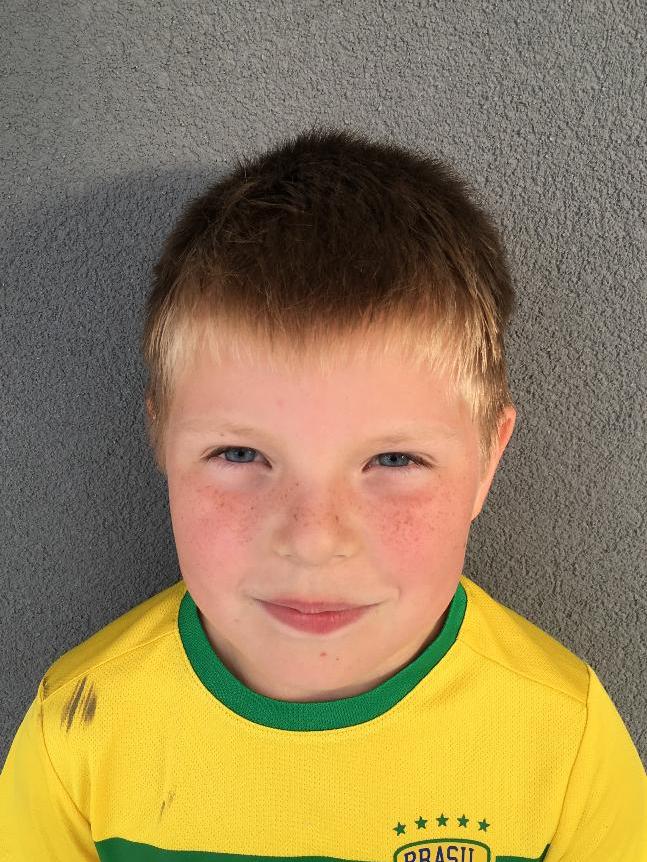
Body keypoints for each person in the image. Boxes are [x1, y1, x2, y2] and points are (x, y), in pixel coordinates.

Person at [1, 125, 645, 861]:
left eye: (394, 459)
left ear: (487, 462)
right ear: (162, 441)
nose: (312, 540)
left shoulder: (563, 740)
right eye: (239, 454)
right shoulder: (78, 734)